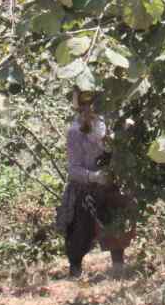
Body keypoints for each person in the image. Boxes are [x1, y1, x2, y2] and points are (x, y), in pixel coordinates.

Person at [54, 89, 133, 278]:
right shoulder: (75, 131)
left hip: (107, 184)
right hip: (85, 188)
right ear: (80, 109)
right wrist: (94, 176)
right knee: (80, 232)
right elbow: (73, 169)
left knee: (115, 221)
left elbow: (113, 148)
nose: (90, 109)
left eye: (93, 105)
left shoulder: (104, 124)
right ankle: (75, 272)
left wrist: (126, 132)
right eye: (85, 106)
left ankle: (118, 268)